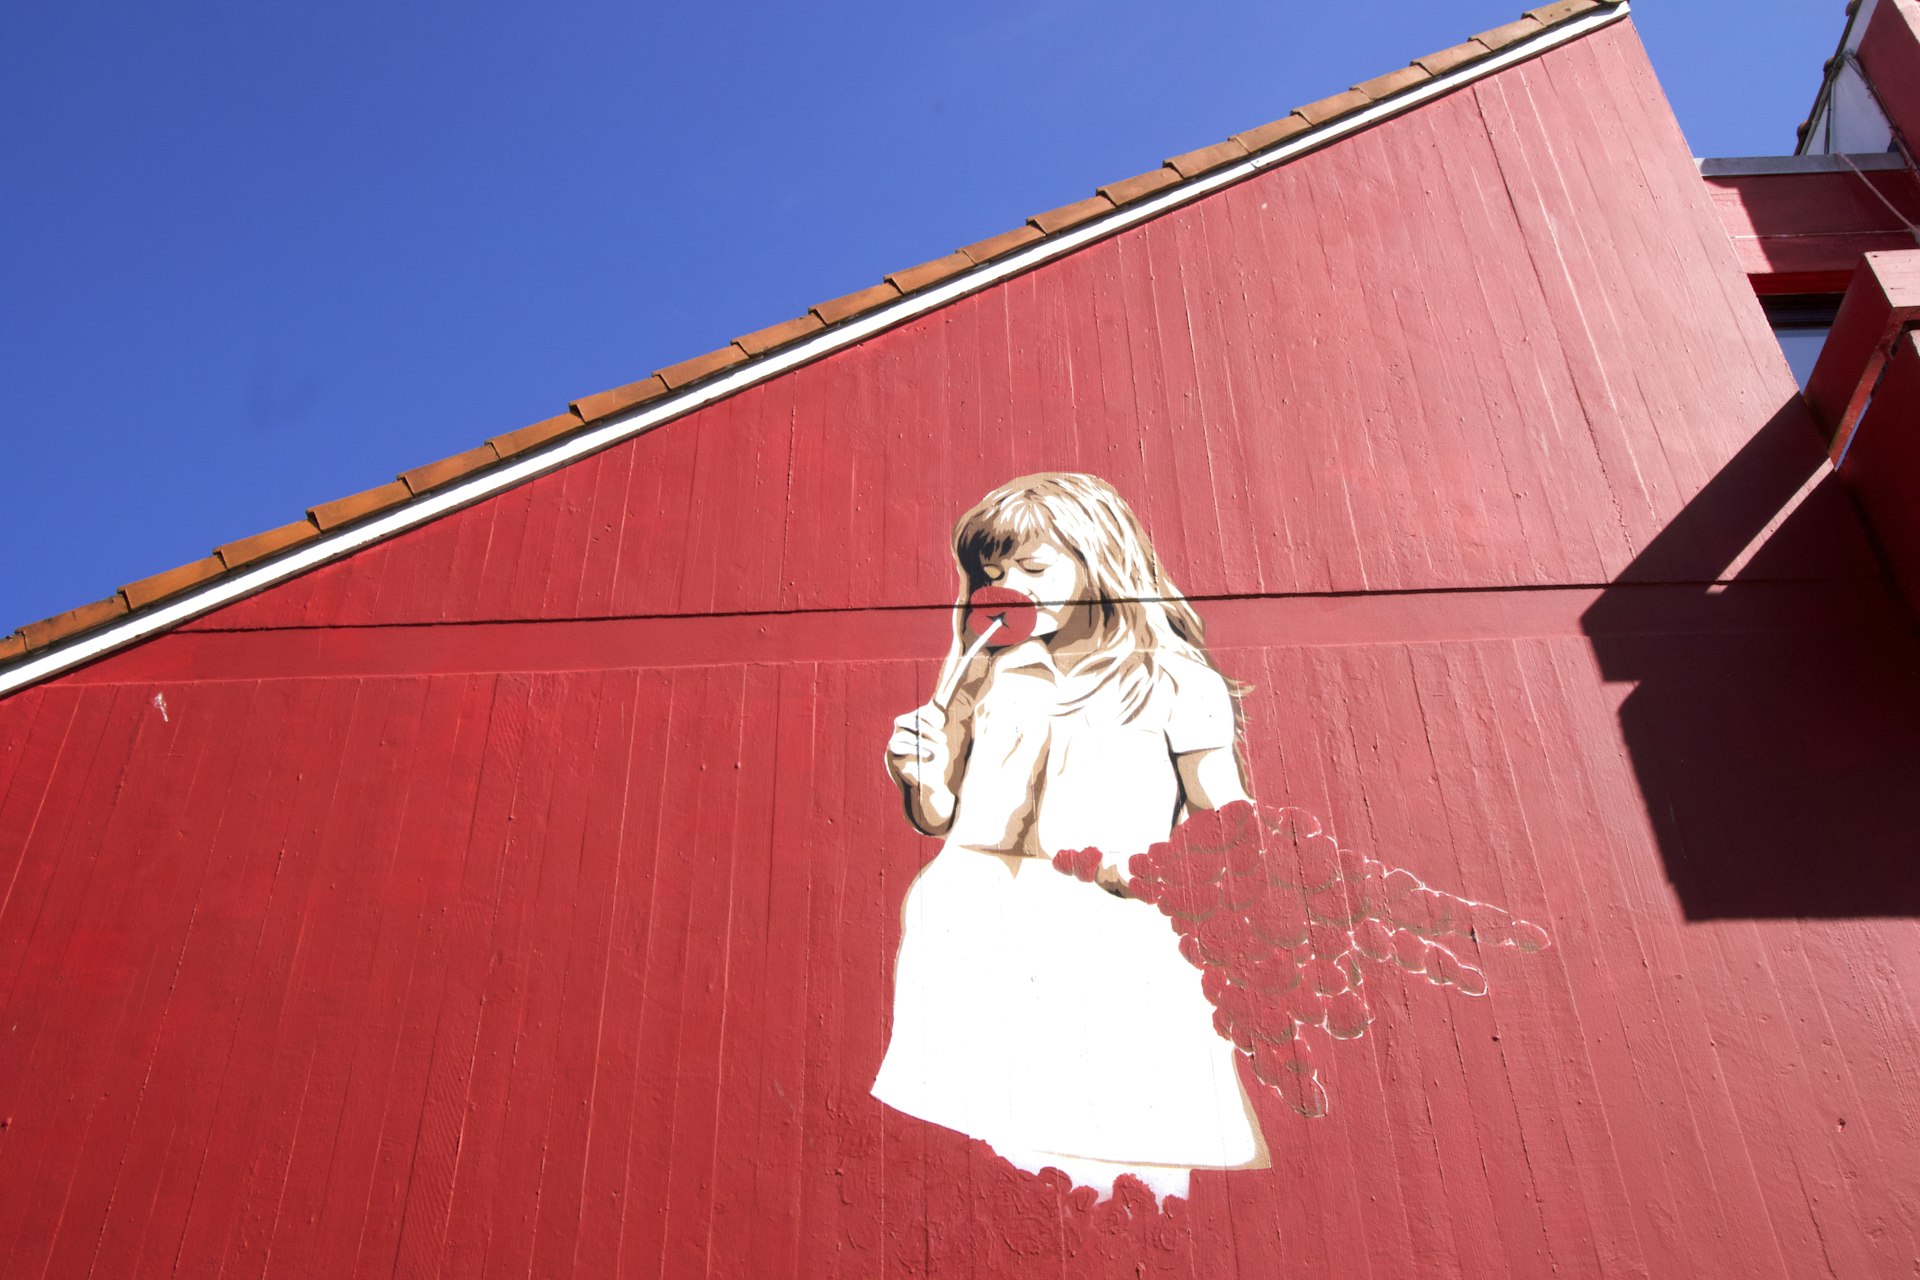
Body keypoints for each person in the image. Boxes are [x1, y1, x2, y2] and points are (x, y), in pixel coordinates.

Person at [873, 472, 1268, 1203]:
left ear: (1099, 557)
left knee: (1112, 1171)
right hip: (964, 924)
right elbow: (937, 815)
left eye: (1033, 568)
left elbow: (1228, 824)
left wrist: (1161, 867)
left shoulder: (1174, 680)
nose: (1011, 590)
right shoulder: (984, 671)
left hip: (1106, 939)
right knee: (969, 1164)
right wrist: (919, 775)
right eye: (994, 576)